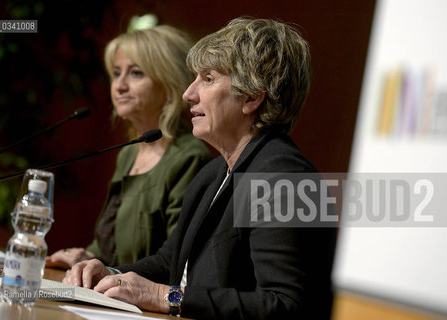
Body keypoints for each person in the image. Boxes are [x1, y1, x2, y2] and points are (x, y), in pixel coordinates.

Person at [63, 17, 337, 319]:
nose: (188, 93)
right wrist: (109, 274)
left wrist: (164, 296)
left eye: (207, 79)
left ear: (251, 97)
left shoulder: (283, 178)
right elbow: (171, 262)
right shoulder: (216, 171)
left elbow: (286, 306)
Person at [46, 25, 211, 268]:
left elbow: (176, 261)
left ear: (169, 84)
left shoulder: (190, 158)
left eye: (135, 73)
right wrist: (84, 258)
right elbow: (109, 245)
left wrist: (108, 273)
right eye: (115, 73)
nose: (119, 85)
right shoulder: (129, 153)